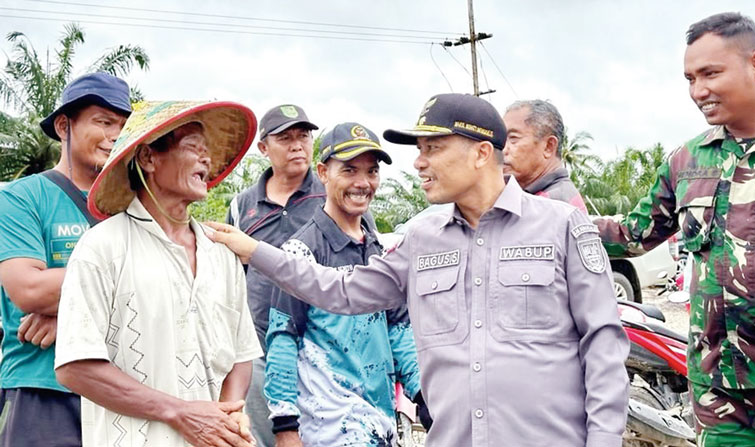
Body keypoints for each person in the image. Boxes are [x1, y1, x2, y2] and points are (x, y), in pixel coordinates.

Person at [207, 93, 630, 447]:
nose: (419, 163)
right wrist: (256, 251)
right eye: (419, 151)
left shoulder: (562, 226)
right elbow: (342, 290)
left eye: (433, 149)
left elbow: (603, 345)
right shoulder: (420, 240)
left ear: (482, 153)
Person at [593, 12, 755, 446]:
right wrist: (553, 222)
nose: (698, 91)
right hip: (716, 393)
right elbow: (633, 234)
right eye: (690, 78)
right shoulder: (687, 162)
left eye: (710, 74)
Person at [53, 100, 263, 447]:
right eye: (194, 147)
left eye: (207, 151)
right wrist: (180, 413)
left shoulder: (221, 253)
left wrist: (225, 418)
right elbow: (75, 367)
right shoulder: (103, 247)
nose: (207, 158)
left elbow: (241, 356)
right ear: (149, 158)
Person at [266, 122, 425, 447]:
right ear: (323, 173)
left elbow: (398, 333)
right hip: (324, 432)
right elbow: (283, 339)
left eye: (372, 171)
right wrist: (285, 426)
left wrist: (424, 395)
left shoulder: (382, 252)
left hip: (379, 429)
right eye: (350, 170)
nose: (362, 183)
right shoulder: (301, 252)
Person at [0, 72, 131, 447]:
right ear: (63, 126)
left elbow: (165, 286)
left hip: (122, 392)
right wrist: (124, 280)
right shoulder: (23, 198)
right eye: (103, 122)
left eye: (123, 127)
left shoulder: (133, 207)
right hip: (41, 389)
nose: (115, 136)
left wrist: (72, 314)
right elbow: (29, 290)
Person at [227, 104, 324, 447]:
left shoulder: (331, 195)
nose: (297, 145)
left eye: (303, 136)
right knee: (263, 438)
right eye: (285, 138)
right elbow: (230, 277)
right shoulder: (242, 206)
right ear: (263, 148)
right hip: (259, 348)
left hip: (321, 349)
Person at [503, 99, 588, 213]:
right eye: (502, 138)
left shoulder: (552, 207)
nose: (503, 149)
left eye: (513, 138)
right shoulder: (535, 198)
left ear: (549, 146)